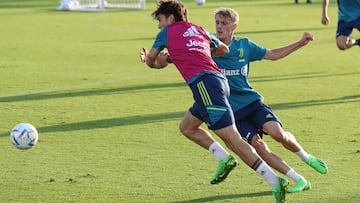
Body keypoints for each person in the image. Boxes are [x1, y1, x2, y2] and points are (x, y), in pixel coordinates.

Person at [140, 1, 288, 202]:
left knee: (233, 140)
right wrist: (196, 52)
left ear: (171, 18)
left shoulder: (167, 33)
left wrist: (148, 60)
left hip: (204, 85)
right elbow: (224, 49)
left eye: (160, 20)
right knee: (187, 127)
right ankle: (224, 158)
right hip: (218, 82)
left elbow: (153, 61)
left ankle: (274, 180)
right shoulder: (198, 29)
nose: (159, 25)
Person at [211, 7, 329, 193]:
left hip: (252, 103)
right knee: (259, 148)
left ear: (234, 26)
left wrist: (300, 43)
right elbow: (186, 52)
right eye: (217, 23)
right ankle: (299, 179)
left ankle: (306, 157)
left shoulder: (245, 46)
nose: (219, 27)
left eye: (224, 23)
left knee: (277, 134)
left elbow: (272, 54)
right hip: (233, 113)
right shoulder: (210, 45)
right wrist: (159, 58)